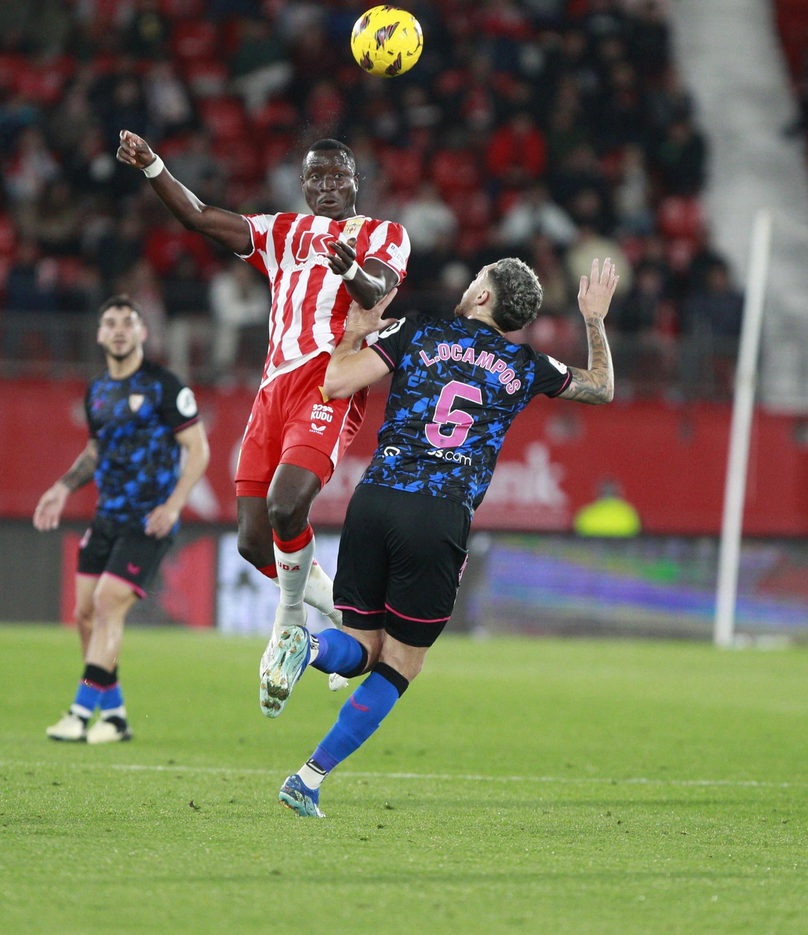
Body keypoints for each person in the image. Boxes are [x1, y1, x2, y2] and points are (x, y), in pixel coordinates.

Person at [263, 257, 620, 816]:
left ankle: (308, 648)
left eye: (477, 279)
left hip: (375, 497)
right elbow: (601, 388)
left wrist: (355, 332)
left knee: (361, 647)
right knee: (400, 663)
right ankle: (308, 776)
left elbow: (334, 383)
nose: (469, 283)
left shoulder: (417, 329)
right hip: (438, 515)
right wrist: (593, 320)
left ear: (484, 299)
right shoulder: (527, 365)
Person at [115, 129, 409, 700]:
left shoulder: (382, 234)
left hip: (329, 385)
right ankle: (350, 616)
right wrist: (153, 165)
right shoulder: (282, 231)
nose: (327, 186)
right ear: (302, 185)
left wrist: (349, 270)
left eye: (338, 176)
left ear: (356, 181)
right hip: (272, 389)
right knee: (254, 541)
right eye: (316, 178)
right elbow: (200, 217)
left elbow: (378, 291)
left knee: (285, 503)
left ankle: (289, 626)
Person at [32, 295, 211, 744]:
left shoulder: (164, 386)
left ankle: (79, 713)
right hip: (107, 516)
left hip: (148, 521)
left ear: (142, 333)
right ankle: (114, 717)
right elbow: (96, 451)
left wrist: (172, 507)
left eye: (127, 323)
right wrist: (61, 487)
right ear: (98, 334)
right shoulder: (97, 392)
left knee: (110, 604)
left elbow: (199, 449)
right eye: (109, 322)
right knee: (85, 616)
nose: (118, 330)